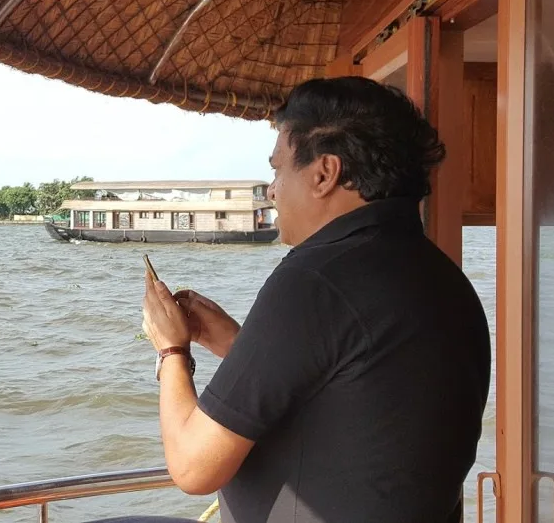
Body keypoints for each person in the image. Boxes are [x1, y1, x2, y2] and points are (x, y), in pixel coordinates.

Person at [136, 76, 491, 523]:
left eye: (278, 169)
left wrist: (171, 350)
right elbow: (358, 399)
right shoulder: (442, 277)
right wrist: (237, 345)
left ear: (324, 173)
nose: (271, 189)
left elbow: (192, 466)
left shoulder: (315, 279)